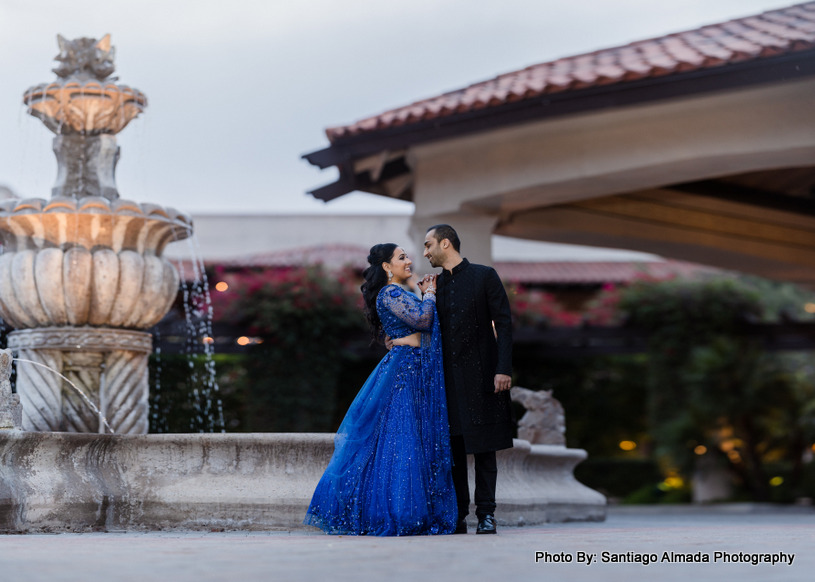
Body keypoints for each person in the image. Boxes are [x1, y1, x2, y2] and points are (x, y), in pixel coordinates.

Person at [304, 243, 458, 536]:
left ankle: (402, 508)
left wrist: (418, 290)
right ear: (387, 267)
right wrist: (429, 293)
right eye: (402, 257)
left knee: (404, 439)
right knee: (401, 439)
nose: (409, 260)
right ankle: (395, 512)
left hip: (412, 368)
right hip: (403, 371)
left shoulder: (400, 292)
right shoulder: (391, 293)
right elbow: (423, 320)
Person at [422, 224, 514, 535]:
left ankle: (487, 515)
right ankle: (460, 514)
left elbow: (504, 323)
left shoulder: (484, 275)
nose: (425, 252)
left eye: (428, 244)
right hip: (447, 381)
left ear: (445, 243)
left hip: (485, 376)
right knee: (455, 450)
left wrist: (504, 369)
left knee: (486, 449)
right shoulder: (434, 286)